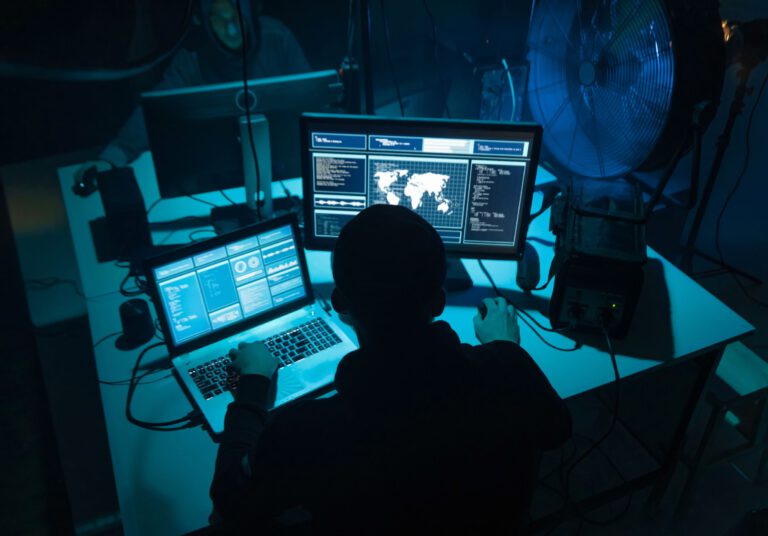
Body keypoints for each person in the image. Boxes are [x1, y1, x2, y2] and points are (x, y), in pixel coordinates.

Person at [210, 205, 572, 534]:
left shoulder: (304, 430)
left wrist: (254, 384)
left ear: (339, 304)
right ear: (440, 300)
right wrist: (505, 349)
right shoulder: (509, 369)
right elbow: (557, 431)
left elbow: (230, 499)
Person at [75, 0, 309, 178]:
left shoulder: (277, 38)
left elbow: (311, 98)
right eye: (219, 19)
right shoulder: (193, 59)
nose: (230, 29)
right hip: (220, 181)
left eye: (235, 16)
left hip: (285, 171)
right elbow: (156, 109)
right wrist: (112, 158)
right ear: (205, 22)